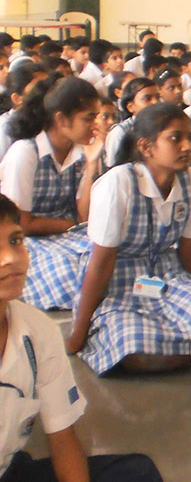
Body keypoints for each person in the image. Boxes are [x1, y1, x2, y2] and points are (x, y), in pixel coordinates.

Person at [0, 194, 164, 482]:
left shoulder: (37, 331)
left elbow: (62, 438)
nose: (11, 258)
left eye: (15, 240)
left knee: (137, 473)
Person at [66, 103, 191, 375]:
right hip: (117, 279)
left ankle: (189, 349)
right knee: (132, 348)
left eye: (189, 138)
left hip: (168, 275)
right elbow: (101, 263)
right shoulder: (118, 183)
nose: (186, 146)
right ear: (146, 147)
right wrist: (78, 333)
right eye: (175, 138)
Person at [0, 78, 101, 310]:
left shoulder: (82, 151)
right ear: (61, 119)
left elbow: (85, 215)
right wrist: (74, 224)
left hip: (67, 234)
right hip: (28, 239)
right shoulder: (26, 152)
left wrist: (92, 164)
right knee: (68, 269)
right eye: (88, 118)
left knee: (105, 255)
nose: (95, 125)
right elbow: (20, 223)